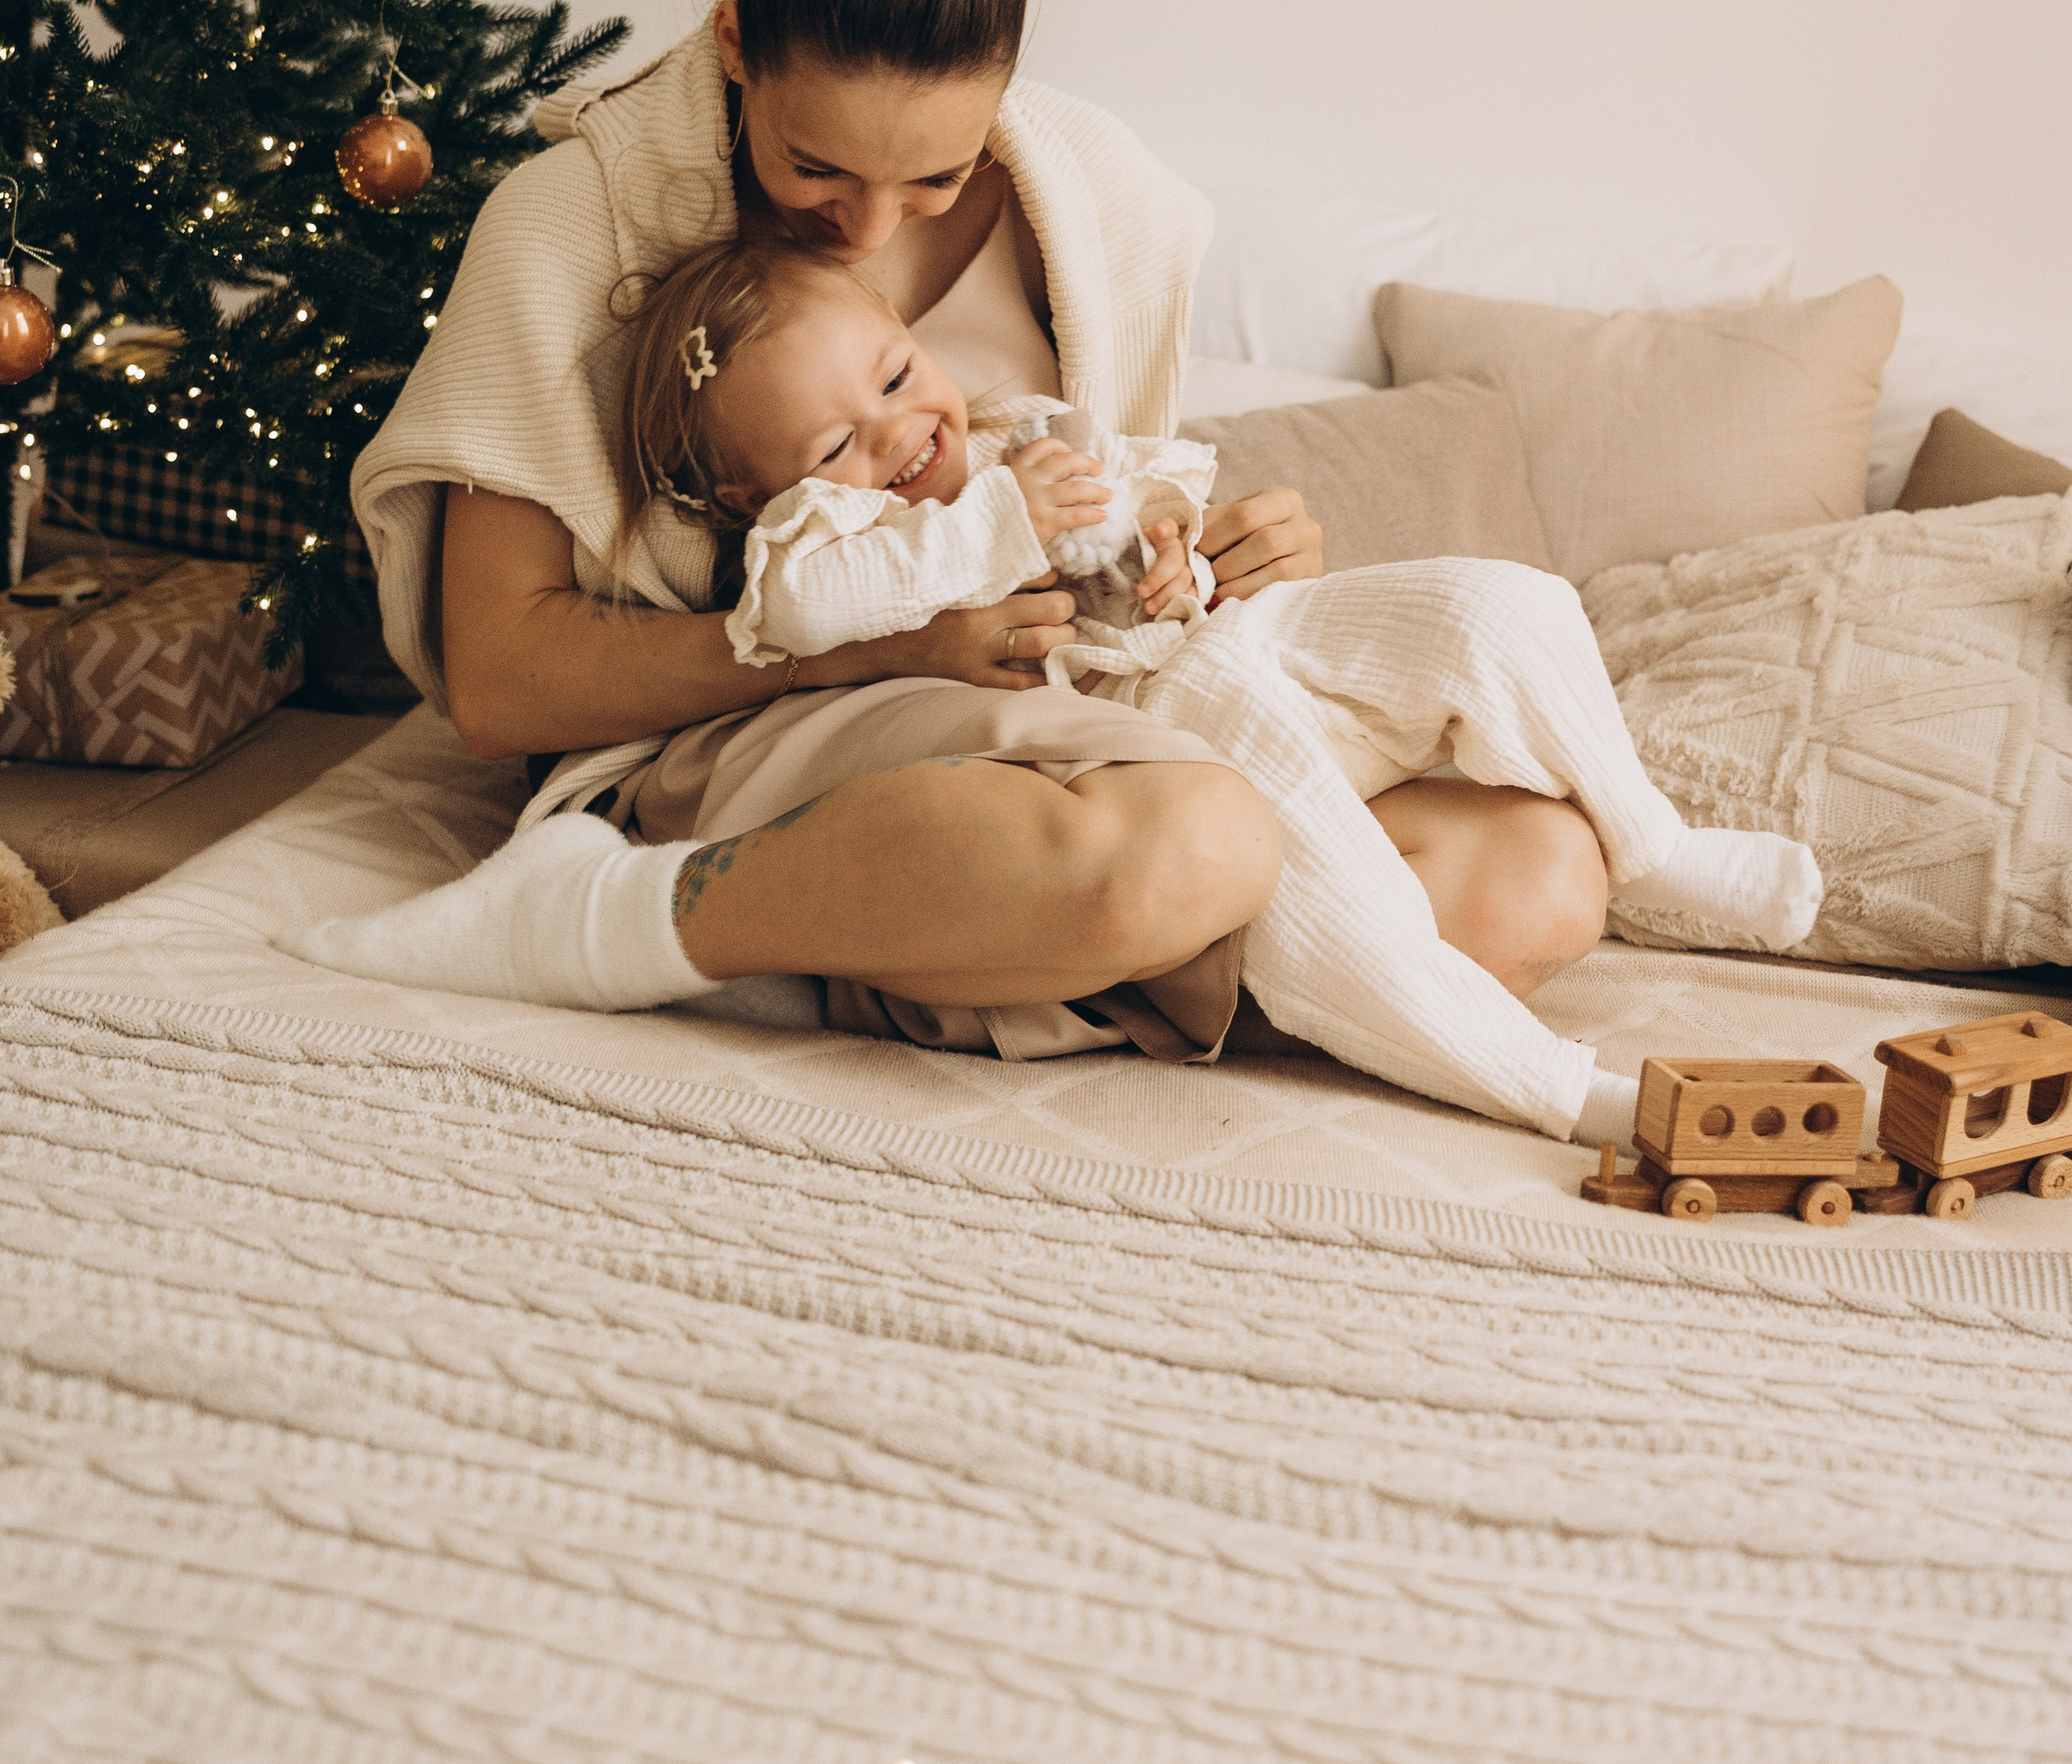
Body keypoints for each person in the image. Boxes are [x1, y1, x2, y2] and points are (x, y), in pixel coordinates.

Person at [321, 0, 1624, 1080]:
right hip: (744, 744)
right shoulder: (570, 225)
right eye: (812, 166)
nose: (867, 229)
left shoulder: (1109, 208)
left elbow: (1091, 538)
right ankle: (633, 913)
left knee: (1541, 873)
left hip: (1067, 723)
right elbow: (499, 683)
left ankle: (949, 943)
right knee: (1204, 844)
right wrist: (867, 651)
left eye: (936, 174)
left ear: (1004, 90)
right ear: (734, 46)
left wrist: (1198, 563)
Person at [304, 231, 1822, 1139]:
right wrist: (996, 522)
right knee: (1243, 816)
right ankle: (1545, 1087)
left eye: (898, 378)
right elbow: (827, 603)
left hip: (1188, 662)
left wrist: (1174, 549)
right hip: (1146, 735)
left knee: (1516, 677)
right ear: (766, 494)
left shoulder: (1019, 423)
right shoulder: (823, 541)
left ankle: (1657, 841)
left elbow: (1136, 510)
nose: (895, 435)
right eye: (833, 439)